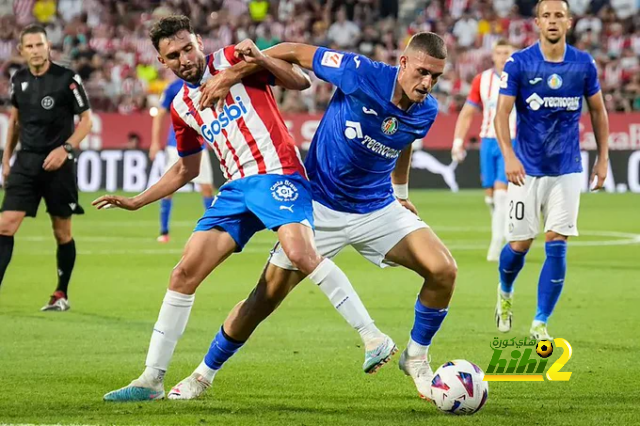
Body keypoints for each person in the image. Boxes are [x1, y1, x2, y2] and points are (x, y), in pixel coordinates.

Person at [93, 15, 395, 402]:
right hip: (235, 189)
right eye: (174, 55)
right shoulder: (182, 106)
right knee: (184, 272)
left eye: (188, 48)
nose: (185, 58)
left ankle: (373, 337)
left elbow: (300, 81)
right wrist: (138, 201)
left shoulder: (233, 58)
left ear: (199, 41)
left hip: (278, 173)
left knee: (301, 253)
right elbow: (186, 166)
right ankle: (151, 379)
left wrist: (244, 69)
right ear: (162, 61)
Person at [168, 33, 456, 401]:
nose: (427, 83)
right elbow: (293, 52)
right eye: (422, 72)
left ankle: (416, 357)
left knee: (444, 270)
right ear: (402, 63)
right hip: (319, 206)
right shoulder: (359, 72)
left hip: (377, 207)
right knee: (263, 299)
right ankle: (202, 374)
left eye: (436, 77)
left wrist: (401, 195)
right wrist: (232, 74)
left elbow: (403, 143)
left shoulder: (427, 109)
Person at [493, 0, 609, 339]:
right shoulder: (519, 63)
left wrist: (603, 158)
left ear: (569, 23)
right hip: (525, 169)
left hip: (567, 168)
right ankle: (505, 290)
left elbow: (599, 112)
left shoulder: (583, 65)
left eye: (559, 15)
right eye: (547, 15)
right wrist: (509, 156)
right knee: (519, 245)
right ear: (537, 23)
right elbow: (502, 114)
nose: (553, 21)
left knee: (557, 241)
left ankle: (540, 322)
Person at [0, 24, 92, 311]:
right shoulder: (19, 79)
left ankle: (61, 294)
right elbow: (15, 122)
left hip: (59, 165)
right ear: (22, 51)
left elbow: (86, 121)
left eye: (40, 45)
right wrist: (6, 159)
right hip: (26, 162)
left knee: (62, 232)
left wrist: (65, 149)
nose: (36, 51)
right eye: (30, 46)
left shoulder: (67, 79)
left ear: (47, 46)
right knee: (4, 226)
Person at [451, 39, 516, 262]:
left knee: (500, 193)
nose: (502, 57)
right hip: (488, 141)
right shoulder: (483, 80)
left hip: (512, 141)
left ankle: (498, 242)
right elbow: (468, 112)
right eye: (499, 53)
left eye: (506, 52)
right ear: (493, 56)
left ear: (513, 54)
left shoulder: (522, 78)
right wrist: (458, 141)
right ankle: (505, 226)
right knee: (490, 196)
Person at [149, 77, 216, 243]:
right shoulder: (174, 88)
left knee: (207, 188)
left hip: (199, 144)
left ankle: (214, 230)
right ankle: (164, 231)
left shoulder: (206, 83)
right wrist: (155, 142)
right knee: (168, 188)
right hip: (176, 145)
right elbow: (160, 114)